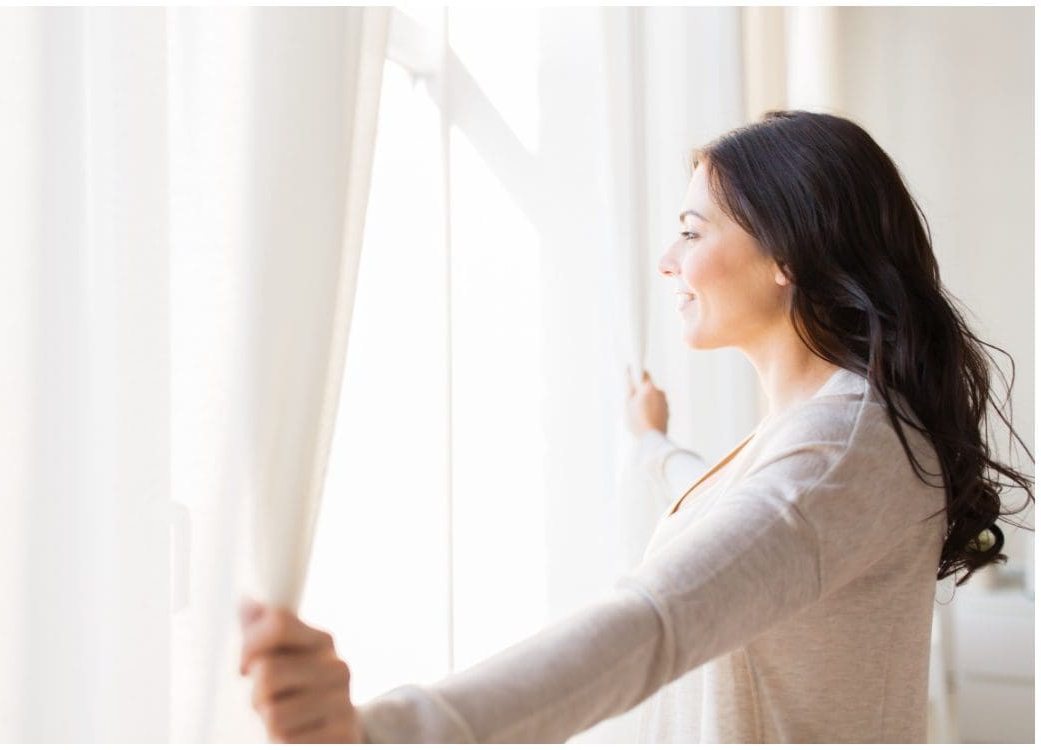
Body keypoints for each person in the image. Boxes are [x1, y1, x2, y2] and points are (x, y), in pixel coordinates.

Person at [235, 110, 1034, 743]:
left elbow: (655, 622)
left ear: (786, 253)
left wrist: (387, 734)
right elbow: (745, 526)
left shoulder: (843, 449)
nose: (667, 260)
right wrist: (654, 444)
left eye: (692, 231)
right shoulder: (832, 436)